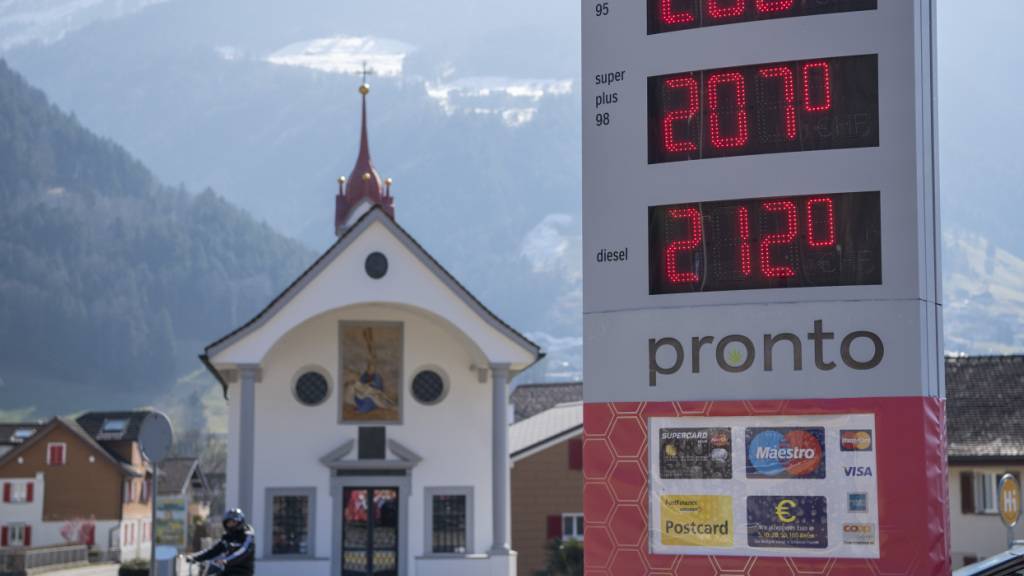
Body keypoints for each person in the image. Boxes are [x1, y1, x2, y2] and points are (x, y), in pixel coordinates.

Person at [186, 509, 255, 575]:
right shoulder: (227, 537)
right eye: (229, 522)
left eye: (233, 522)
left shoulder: (247, 536)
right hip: (228, 571)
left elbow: (241, 552)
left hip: (242, 572)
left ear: (240, 522)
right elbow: (214, 550)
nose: (231, 524)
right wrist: (194, 557)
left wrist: (226, 560)